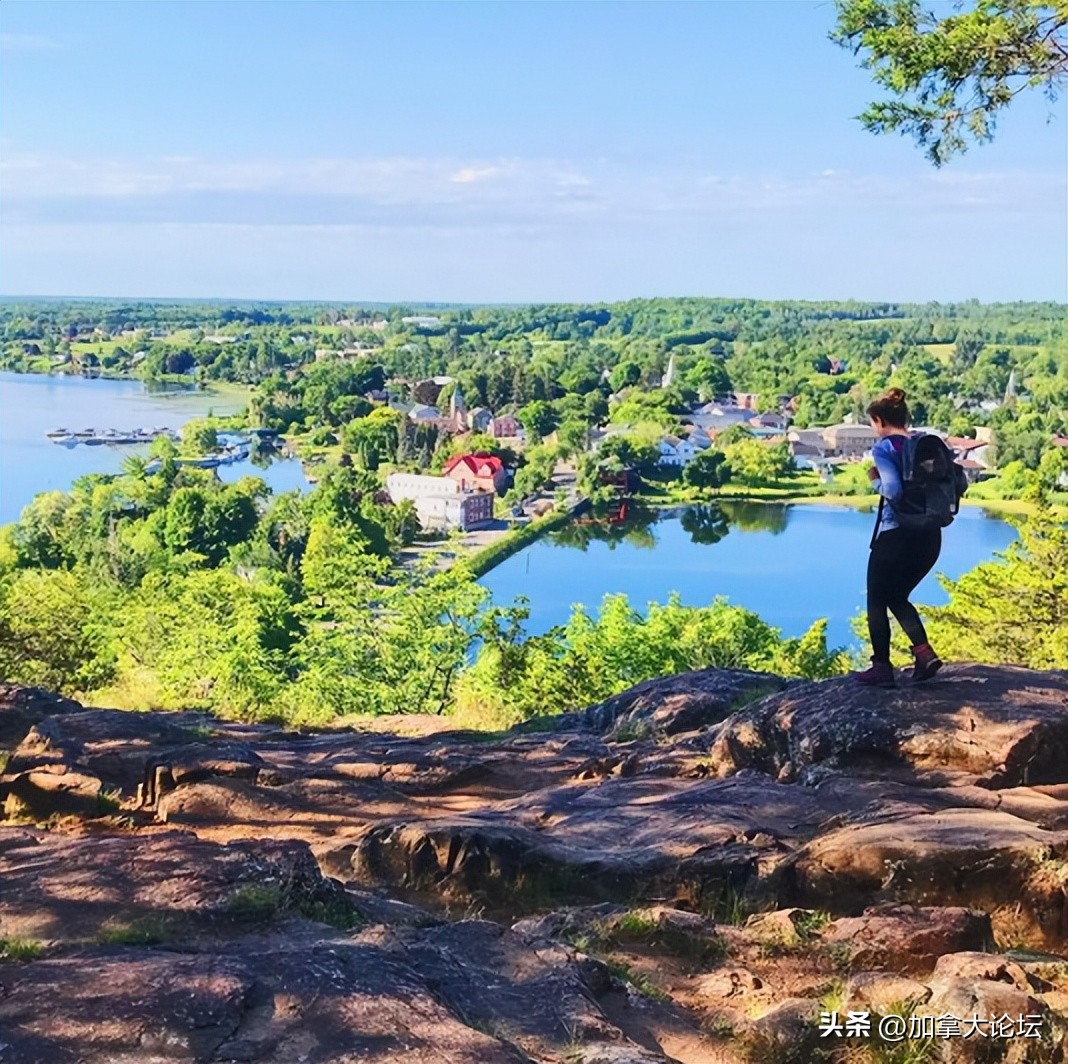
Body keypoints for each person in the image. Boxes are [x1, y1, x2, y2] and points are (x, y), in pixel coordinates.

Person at [853, 388, 943, 687]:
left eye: (872, 423)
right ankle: (924, 654)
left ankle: (881, 668)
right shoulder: (924, 444)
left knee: (876, 600)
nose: (873, 429)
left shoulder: (885, 448)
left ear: (879, 421)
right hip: (929, 536)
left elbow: (893, 491)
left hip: (896, 536)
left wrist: (874, 480)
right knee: (896, 596)